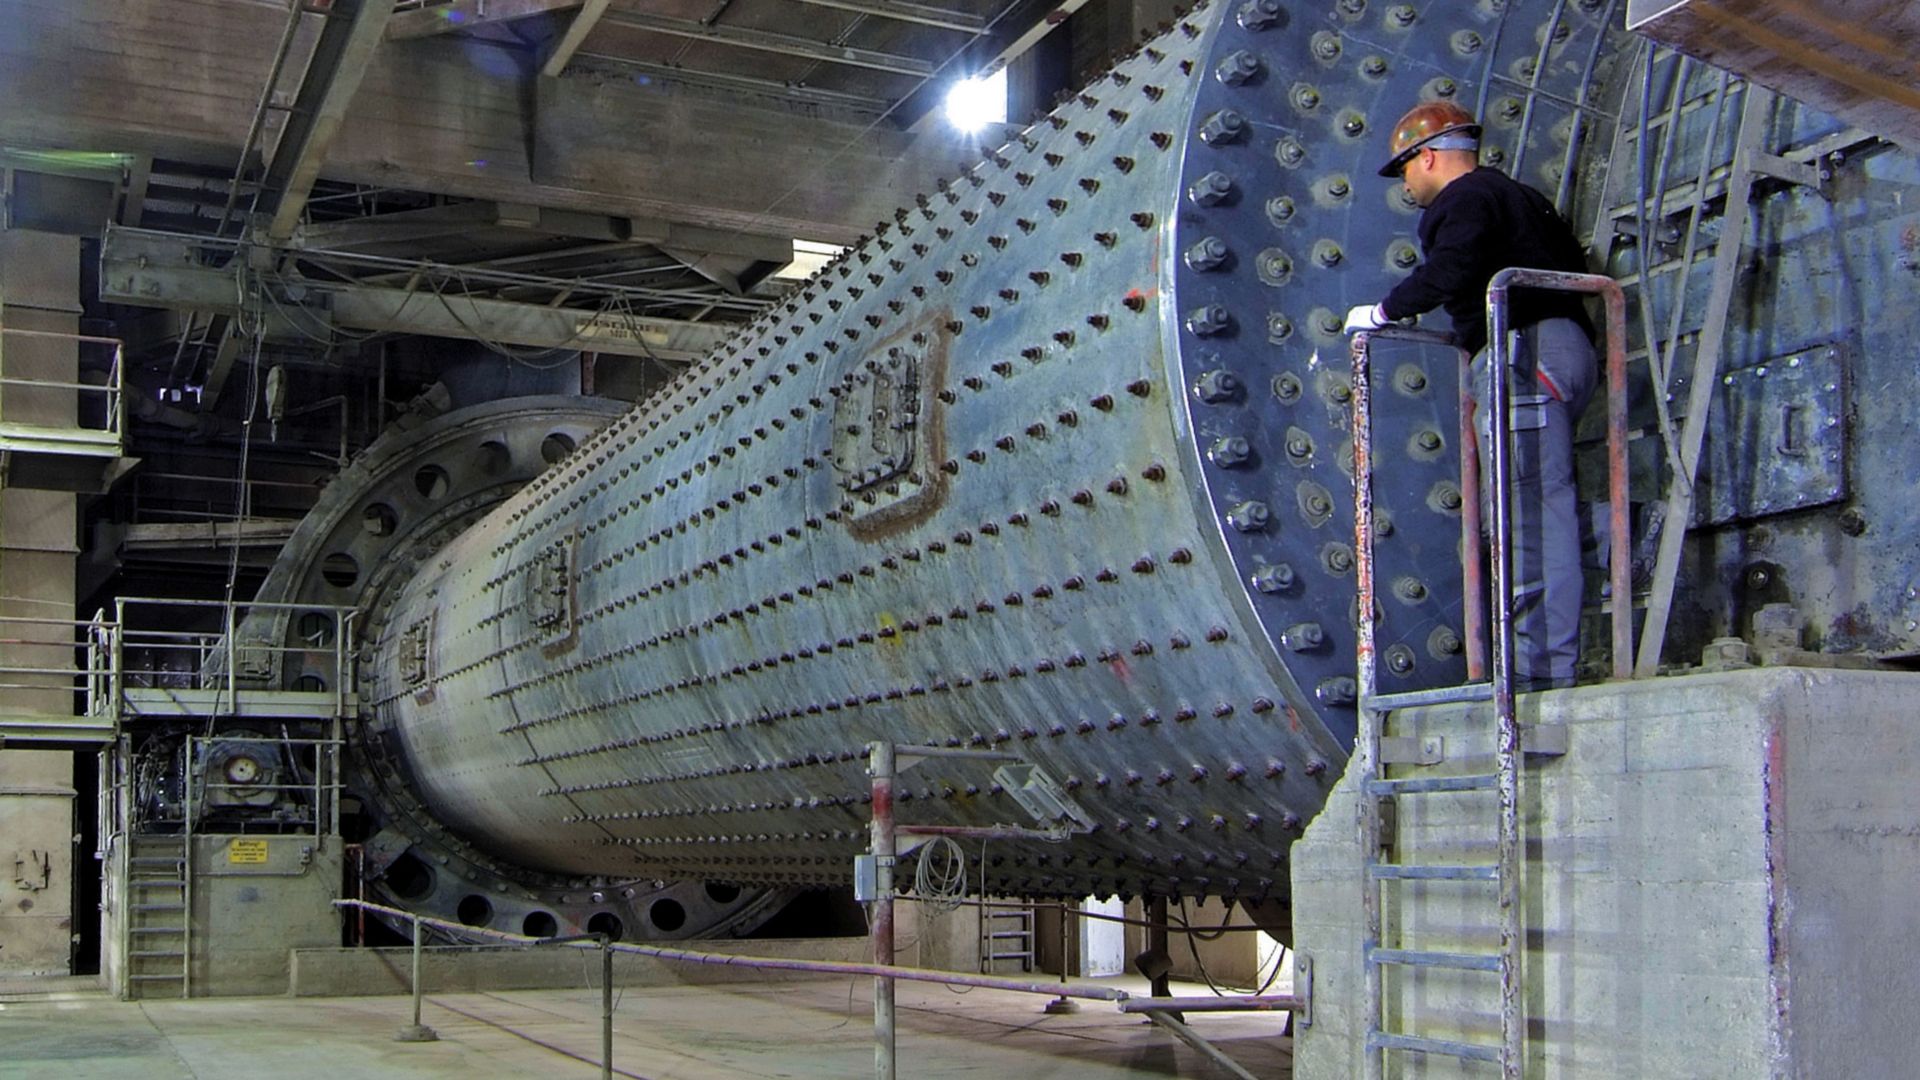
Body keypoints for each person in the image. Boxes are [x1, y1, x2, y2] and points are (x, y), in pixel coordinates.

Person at [1343, 101, 1597, 690]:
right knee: (1547, 502)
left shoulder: (1463, 200)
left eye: (1405, 168)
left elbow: (1454, 268)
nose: (1406, 183)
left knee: (1527, 515)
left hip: (1523, 357)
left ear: (1426, 157)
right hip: (1568, 355)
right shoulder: (1523, 198)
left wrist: (1384, 312)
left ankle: (1539, 677)